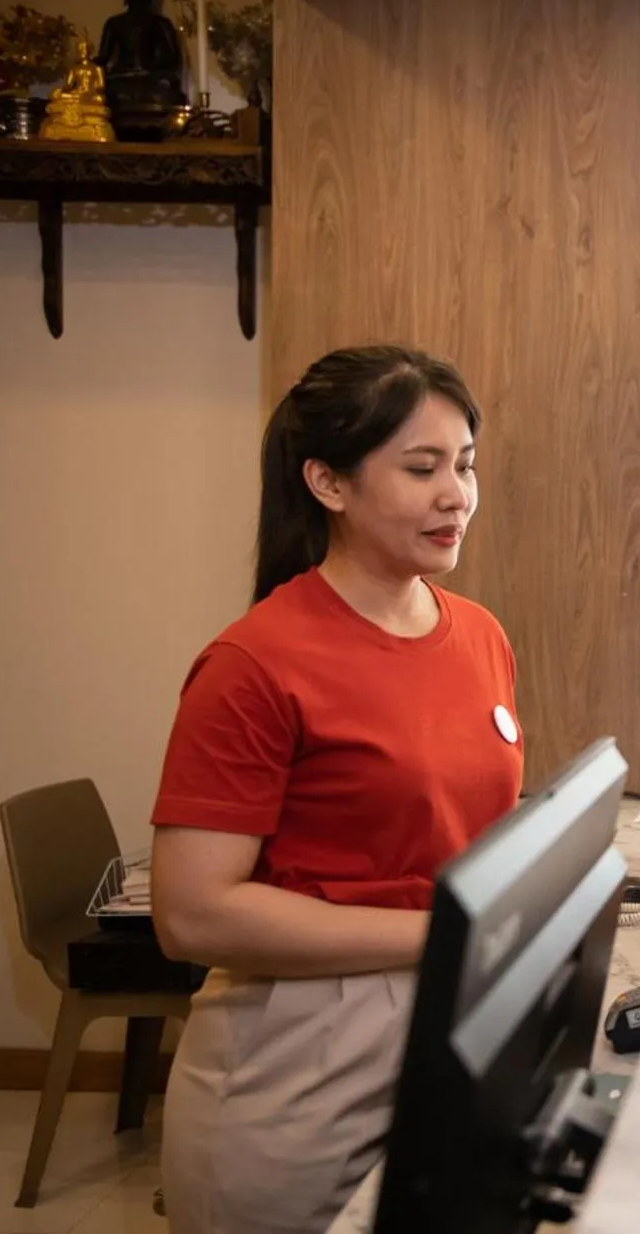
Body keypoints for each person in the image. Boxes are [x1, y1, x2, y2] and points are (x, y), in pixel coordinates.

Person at [150, 345, 524, 1233]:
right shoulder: (253, 664)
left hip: (446, 1022)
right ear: (328, 482)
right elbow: (191, 915)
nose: (456, 494)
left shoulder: (478, 635)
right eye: (422, 467)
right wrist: (441, 933)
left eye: (465, 465)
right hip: (300, 1057)